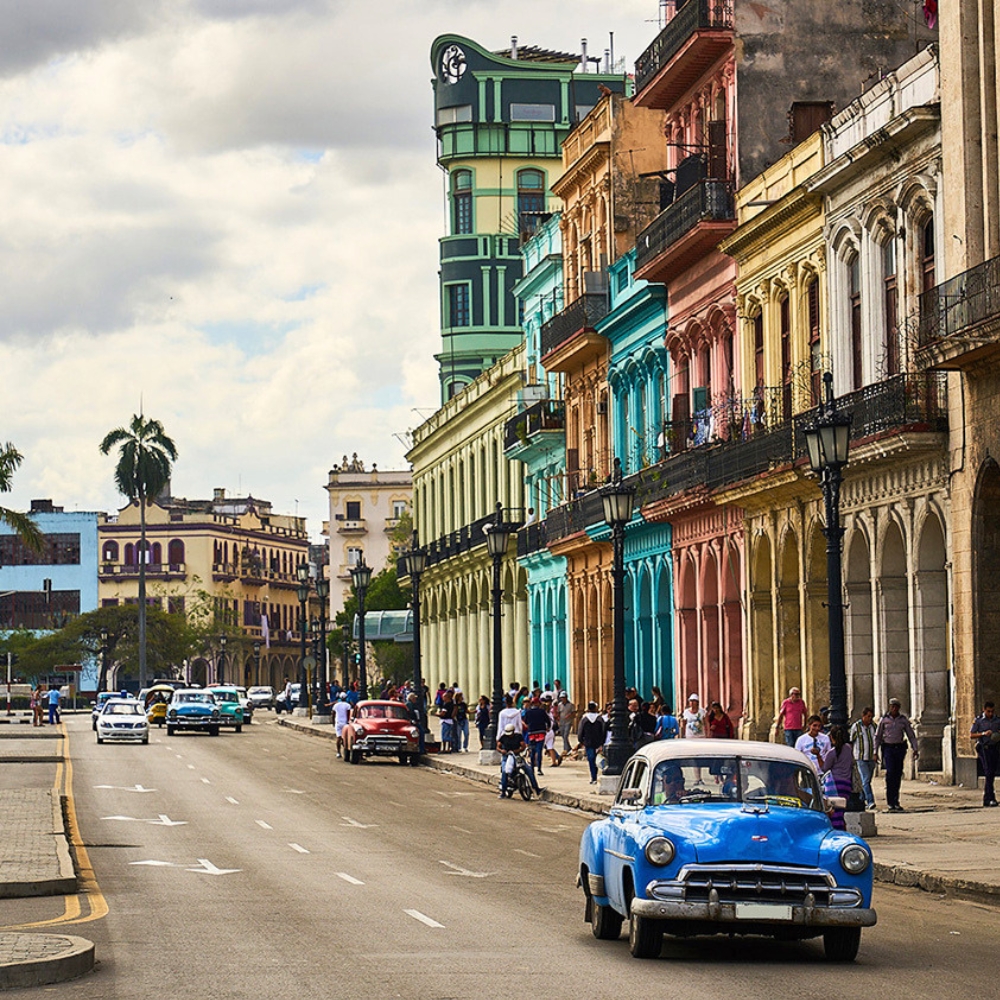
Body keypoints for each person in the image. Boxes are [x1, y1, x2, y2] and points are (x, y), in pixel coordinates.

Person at [875, 697, 919, 813]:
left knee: (897, 774)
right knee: (890, 774)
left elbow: (910, 735)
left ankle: (896, 800)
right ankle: (890, 801)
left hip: (898, 748)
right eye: (892, 706)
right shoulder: (884, 720)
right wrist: (875, 752)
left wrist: (915, 748)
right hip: (888, 748)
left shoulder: (902, 720)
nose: (894, 708)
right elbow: (878, 737)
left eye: (896, 707)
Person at [821, 725, 854, 830]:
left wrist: (818, 756)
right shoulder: (848, 749)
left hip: (835, 784)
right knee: (841, 811)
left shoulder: (831, 753)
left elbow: (824, 768)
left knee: (834, 811)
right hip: (846, 784)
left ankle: (837, 830)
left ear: (831, 737)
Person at [970, 701, 1000, 808]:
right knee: (988, 771)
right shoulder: (979, 721)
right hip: (983, 747)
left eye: (992, 711)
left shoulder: (997, 720)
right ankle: (989, 797)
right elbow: (971, 735)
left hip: (994, 747)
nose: (990, 714)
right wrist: (983, 733)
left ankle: (988, 797)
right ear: (984, 709)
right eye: (988, 711)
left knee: (992, 772)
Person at [497, 723, 540, 798]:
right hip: (506, 757)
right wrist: (501, 751)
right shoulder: (503, 737)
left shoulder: (518, 736)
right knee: (505, 771)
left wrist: (518, 750)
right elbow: (498, 746)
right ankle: (503, 792)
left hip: (516, 756)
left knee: (528, 770)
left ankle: (536, 788)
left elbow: (523, 746)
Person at [849, 707, 878, 811]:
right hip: (860, 757)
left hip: (871, 757)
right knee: (865, 780)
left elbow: (877, 741)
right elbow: (851, 741)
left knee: (867, 779)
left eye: (871, 716)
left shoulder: (874, 726)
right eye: (868, 716)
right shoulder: (856, 727)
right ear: (863, 716)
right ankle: (870, 801)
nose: (870, 718)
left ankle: (862, 798)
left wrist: (876, 753)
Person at [577, 702, 607, 784]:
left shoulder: (584, 719)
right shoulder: (600, 719)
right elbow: (604, 731)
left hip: (588, 742)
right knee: (600, 759)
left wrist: (581, 741)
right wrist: (602, 742)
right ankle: (598, 774)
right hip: (598, 742)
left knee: (591, 760)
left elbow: (580, 731)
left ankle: (593, 777)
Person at [521, 696, 550, 774]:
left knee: (532, 751)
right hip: (541, 733)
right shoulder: (542, 711)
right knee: (539, 751)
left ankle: (532, 769)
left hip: (532, 734)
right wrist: (548, 728)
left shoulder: (528, 712)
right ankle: (539, 769)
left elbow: (526, 722)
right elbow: (548, 721)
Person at [333, 692, 351, 758]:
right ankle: (346, 751)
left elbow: (333, 714)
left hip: (338, 722)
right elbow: (348, 715)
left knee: (338, 738)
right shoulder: (347, 705)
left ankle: (338, 752)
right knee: (345, 738)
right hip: (345, 723)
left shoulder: (336, 705)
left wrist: (333, 722)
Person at [438, 689, 455, 753]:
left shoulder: (446, 705)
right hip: (450, 721)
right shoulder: (451, 704)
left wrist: (437, 714)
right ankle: (446, 748)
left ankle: (453, 740)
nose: (442, 698)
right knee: (447, 734)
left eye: (443, 697)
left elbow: (443, 714)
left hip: (445, 721)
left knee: (444, 737)